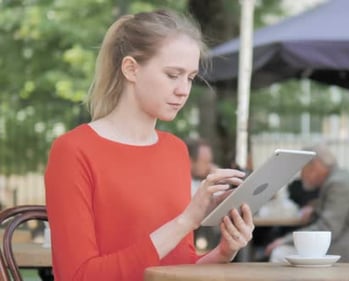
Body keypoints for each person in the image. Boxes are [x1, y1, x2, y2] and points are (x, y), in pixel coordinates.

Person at [44, 10, 254, 281]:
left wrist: (224, 252)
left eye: (189, 77)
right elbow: (80, 276)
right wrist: (185, 222)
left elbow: (177, 265)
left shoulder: (175, 150)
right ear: (131, 69)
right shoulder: (73, 151)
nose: (184, 90)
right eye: (172, 75)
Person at [265, 144, 349, 263]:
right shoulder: (340, 179)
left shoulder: (339, 184)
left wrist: (285, 240)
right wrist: (315, 209)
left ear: (315, 166)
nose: (301, 175)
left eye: (302, 169)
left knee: (280, 253)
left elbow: (327, 228)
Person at [185, 138, 221, 252]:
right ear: (190, 161)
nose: (210, 166)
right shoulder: (183, 182)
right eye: (205, 162)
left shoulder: (199, 181)